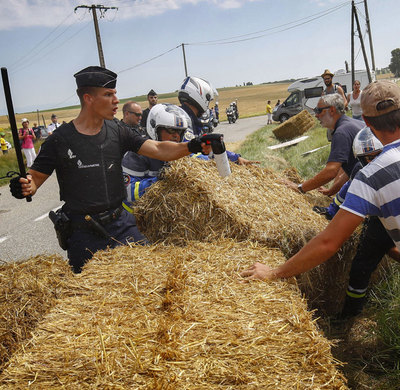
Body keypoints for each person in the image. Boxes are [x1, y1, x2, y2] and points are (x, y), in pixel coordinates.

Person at [9, 66, 211, 274]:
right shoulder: (60, 140)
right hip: (83, 234)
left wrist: (193, 146)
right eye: (108, 95)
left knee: (151, 277)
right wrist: (24, 186)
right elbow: (34, 179)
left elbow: (158, 148)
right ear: (88, 99)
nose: (116, 100)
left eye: (115, 94)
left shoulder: (118, 130)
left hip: (122, 225)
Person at [240, 80, 400, 291]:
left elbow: (328, 242)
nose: (316, 115)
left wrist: (273, 272)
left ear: (367, 123)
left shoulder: (370, 176)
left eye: (319, 111)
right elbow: (345, 169)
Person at [284, 93, 363, 197]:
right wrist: (332, 191)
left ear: (332, 110)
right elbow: (352, 168)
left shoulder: (341, 133)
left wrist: (300, 187)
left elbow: (331, 171)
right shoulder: (353, 123)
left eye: (318, 110)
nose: (316, 115)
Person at [178, 76, 255, 165]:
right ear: (202, 96)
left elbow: (207, 148)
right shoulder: (182, 121)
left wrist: (235, 158)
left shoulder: (187, 118)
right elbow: (192, 154)